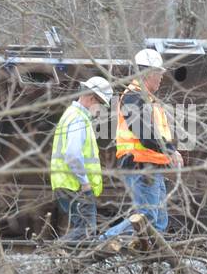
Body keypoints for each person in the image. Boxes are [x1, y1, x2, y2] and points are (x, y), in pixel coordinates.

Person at [100, 48, 181, 241]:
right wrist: (170, 150)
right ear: (148, 74)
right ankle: (103, 241)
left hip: (152, 166)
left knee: (159, 222)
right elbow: (144, 133)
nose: (161, 78)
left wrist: (169, 152)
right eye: (159, 73)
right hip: (141, 165)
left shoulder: (146, 99)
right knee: (147, 217)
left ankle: (151, 264)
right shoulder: (133, 97)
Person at [49, 77, 112, 241]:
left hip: (68, 184)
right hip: (76, 186)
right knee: (86, 232)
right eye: (101, 104)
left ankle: (67, 262)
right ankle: (54, 251)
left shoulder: (71, 114)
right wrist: (84, 182)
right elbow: (72, 154)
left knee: (83, 233)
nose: (101, 110)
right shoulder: (79, 119)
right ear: (92, 98)